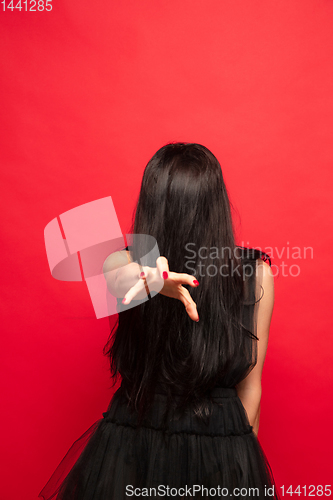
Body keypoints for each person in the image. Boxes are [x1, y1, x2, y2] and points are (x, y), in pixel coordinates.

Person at [38, 142, 278, 500]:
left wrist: (241, 464)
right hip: (137, 444)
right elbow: (119, 278)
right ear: (216, 204)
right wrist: (151, 281)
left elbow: (251, 385)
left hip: (220, 450)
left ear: (152, 204)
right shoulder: (122, 261)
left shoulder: (254, 273)